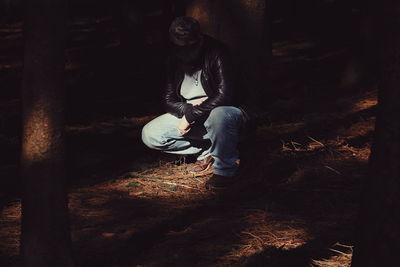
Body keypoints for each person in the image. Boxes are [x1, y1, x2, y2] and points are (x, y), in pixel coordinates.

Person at [141, 16, 247, 189]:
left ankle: (225, 171)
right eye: (179, 47)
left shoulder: (218, 53)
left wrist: (190, 115)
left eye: (189, 46)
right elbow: (168, 100)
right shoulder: (173, 60)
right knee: (151, 134)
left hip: (227, 112)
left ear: (199, 40)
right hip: (194, 114)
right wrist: (189, 110)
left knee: (218, 115)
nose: (184, 52)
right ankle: (207, 152)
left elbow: (225, 96)